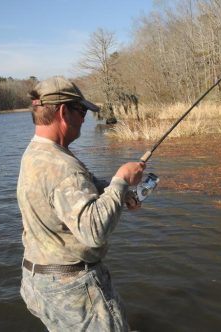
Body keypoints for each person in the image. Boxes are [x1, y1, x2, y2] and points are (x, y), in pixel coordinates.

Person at [17, 76, 145, 331]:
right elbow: (93, 231)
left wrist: (114, 193)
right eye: (82, 110)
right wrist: (121, 180)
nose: (85, 117)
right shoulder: (63, 167)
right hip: (74, 291)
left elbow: (69, 193)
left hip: (38, 282)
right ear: (64, 112)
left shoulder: (37, 153)